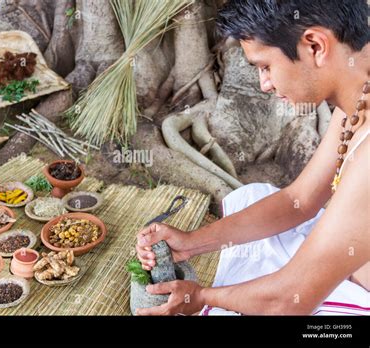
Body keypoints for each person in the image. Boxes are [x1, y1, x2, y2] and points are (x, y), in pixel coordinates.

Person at [135, 0, 369, 315]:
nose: (264, 84)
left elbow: (289, 300)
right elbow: (299, 199)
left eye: (265, 66)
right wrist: (191, 242)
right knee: (251, 196)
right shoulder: (357, 93)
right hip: (334, 274)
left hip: (344, 296)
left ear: (314, 45)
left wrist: (203, 297)